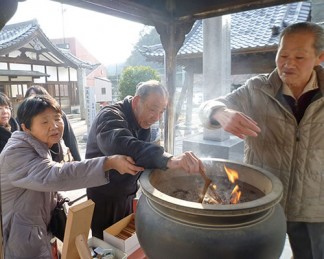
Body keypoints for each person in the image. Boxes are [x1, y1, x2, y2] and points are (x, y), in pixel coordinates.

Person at [199, 22, 324, 259]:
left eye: (299, 56)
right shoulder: (258, 89)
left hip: (315, 207)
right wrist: (219, 112)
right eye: (283, 54)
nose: (288, 64)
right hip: (264, 199)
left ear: (319, 57)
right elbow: (207, 106)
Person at [0, 95, 144, 259]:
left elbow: (38, 186)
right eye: (45, 122)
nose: (54, 126)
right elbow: (53, 175)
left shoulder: (38, 146)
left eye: (57, 118)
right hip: (20, 238)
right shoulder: (15, 152)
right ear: (26, 128)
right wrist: (107, 163)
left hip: (36, 231)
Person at [86, 79, 205, 239]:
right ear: (136, 102)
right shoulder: (110, 115)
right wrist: (170, 160)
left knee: (123, 241)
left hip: (126, 193)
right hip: (105, 195)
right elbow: (122, 144)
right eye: (153, 109)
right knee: (106, 247)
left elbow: (143, 156)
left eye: (162, 111)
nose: (156, 117)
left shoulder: (142, 122)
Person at [24, 85, 81, 161]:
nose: (54, 126)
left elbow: (70, 140)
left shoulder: (60, 115)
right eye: (44, 122)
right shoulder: (21, 151)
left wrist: (78, 163)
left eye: (38, 96)